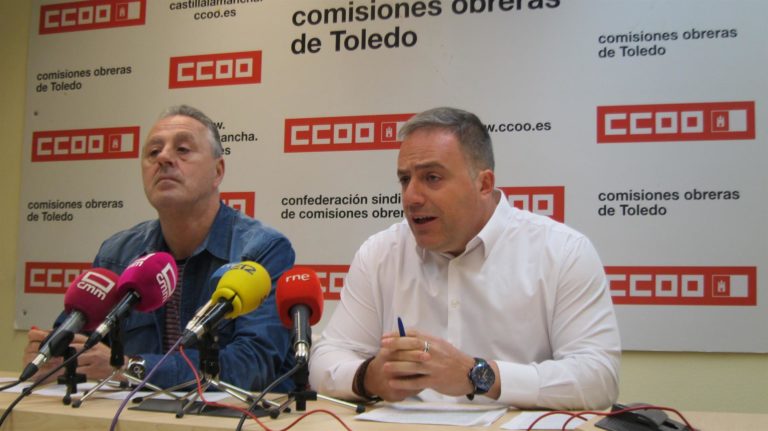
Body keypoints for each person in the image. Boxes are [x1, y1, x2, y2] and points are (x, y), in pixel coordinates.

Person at [309, 107, 621, 409]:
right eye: (405, 179)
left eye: (432, 177)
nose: (411, 197)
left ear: (483, 184)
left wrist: (479, 375)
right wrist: (368, 377)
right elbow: (325, 360)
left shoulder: (562, 252)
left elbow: (598, 378)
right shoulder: (380, 253)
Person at [22, 105, 296, 391]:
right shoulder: (117, 254)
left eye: (183, 150)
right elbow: (76, 342)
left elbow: (252, 366)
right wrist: (53, 355)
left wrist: (130, 367)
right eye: (153, 152)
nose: (163, 158)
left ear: (218, 171)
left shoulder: (260, 250)